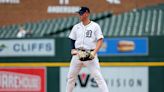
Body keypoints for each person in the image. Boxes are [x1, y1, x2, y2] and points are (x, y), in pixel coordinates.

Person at [66, 6, 109, 92]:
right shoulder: (76, 27)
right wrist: (72, 49)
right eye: (79, 14)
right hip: (78, 54)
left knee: (98, 77)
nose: (80, 15)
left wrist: (94, 52)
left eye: (81, 13)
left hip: (89, 53)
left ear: (86, 13)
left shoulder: (95, 26)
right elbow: (72, 39)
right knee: (71, 77)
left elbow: (100, 40)